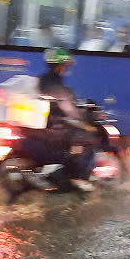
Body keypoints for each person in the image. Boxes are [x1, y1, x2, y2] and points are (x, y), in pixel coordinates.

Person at [32, 48, 97, 190]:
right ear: (60, 66)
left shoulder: (42, 80)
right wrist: (84, 118)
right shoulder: (56, 84)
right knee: (87, 139)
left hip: (46, 124)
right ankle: (77, 177)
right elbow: (68, 108)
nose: (66, 68)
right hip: (55, 127)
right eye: (66, 65)